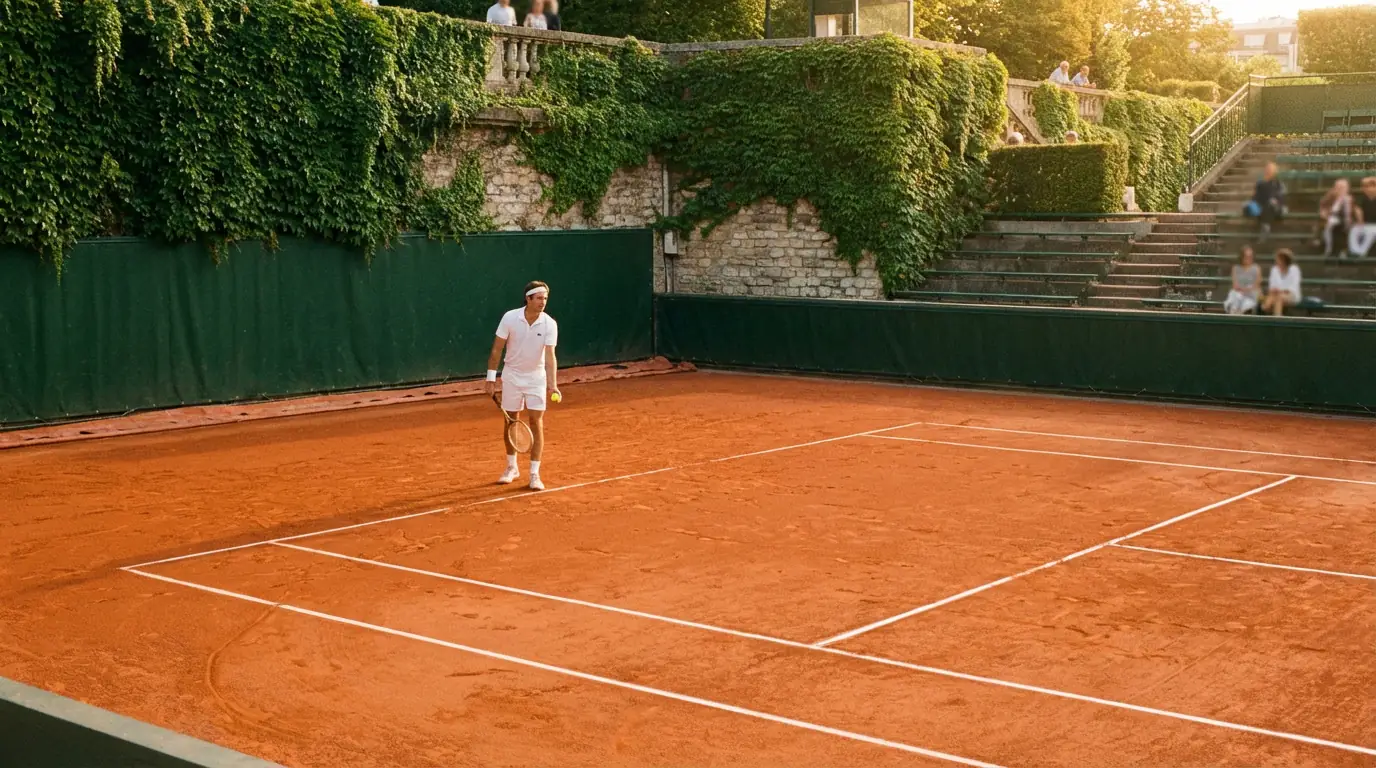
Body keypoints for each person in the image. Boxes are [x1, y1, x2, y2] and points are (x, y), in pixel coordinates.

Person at [485, 281, 560, 490]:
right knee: (511, 421)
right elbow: (496, 350)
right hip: (512, 376)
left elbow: (550, 356)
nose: (543, 302)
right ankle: (512, 467)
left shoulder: (549, 324)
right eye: (538, 298)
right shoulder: (510, 317)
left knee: (536, 422)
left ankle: (535, 474)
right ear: (528, 298)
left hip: (536, 377)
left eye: (545, 298)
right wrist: (491, 379)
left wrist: (552, 384)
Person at [1244, 162, 1285, 241]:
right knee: (1247, 206)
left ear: (1275, 172)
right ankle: (1263, 226)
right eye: (1267, 170)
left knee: (1270, 204)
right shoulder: (1260, 183)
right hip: (1262, 205)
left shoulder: (1278, 184)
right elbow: (1255, 197)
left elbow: (1280, 198)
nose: (1268, 172)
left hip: (1275, 207)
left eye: (1270, 170)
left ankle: (1265, 227)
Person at [1319, 178, 1354, 258]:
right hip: (1332, 217)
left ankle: (1344, 250)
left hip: (1344, 219)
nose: (1341, 190)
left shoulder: (1349, 198)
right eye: (1339, 187)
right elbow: (1323, 206)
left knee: (1347, 227)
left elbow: (1351, 212)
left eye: (1343, 188)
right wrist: (1324, 212)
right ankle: (1328, 249)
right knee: (1330, 225)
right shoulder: (1330, 196)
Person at [1261, 249, 1302, 316]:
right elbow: (1272, 286)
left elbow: (1293, 286)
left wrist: (1281, 290)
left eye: (1279, 259)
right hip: (1276, 294)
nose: (1277, 261)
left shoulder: (1294, 269)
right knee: (1273, 299)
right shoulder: (1274, 269)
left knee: (1277, 299)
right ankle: (1273, 315)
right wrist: (1276, 290)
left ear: (1285, 260)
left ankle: (1277, 320)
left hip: (1291, 295)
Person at [1223, 245, 1262, 315]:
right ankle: (1234, 315)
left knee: (1245, 303)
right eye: (1247, 256)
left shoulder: (1256, 268)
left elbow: (1256, 285)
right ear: (1242, 257)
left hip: (1251, 294)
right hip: (1238, 293)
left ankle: (1239, 314)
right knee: (1235, 297)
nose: (1249, 258)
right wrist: (1242, 290)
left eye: (1250, 256)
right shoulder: (1235, 268)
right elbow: (1235, 285)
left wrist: (1245, 290)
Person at [1350, 176, 1376, 258]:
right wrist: (1360, 220)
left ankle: (1362, 252)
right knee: (1354, 230)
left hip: (1374, 225)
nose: (1369, 189)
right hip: (1365, 224)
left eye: (1372, 187)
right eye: (1366, 187)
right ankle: (1355, 251)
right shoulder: (1362, 199)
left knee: (1370, 232)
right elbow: (1358, 209)